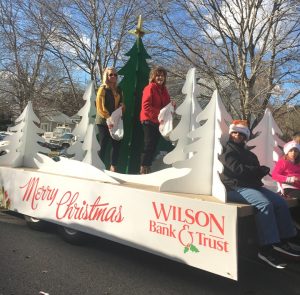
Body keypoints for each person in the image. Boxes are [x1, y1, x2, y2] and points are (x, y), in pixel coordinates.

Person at [220, 120, 300, 269]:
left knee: (280, 202)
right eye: (235, 132)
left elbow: (255, 171)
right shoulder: (227, 150)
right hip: (234, 188)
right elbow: (236, 170)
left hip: (251, 186)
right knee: (264, 204)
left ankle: (284, 240)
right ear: (231, 134)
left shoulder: (249, 153)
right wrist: (256, 170)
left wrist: (259, 171)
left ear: (245, 137)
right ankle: (265, 247)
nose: (237, 135)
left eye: (241, 134)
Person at [139, 66, 174, 174]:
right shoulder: (150, 88)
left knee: (154, 145)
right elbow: (146, 106)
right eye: (158, 75)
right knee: (149, 144)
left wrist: (172, 106)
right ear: (154, 77)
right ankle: (143, 168)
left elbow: (166, 106)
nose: (160, 78)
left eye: (162, 76)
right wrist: (159, 114)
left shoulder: (164, 90)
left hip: (158, 122)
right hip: (148, 120)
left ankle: (148, 166)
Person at [96, 67, 124, 172]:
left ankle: (113, 168)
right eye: (110, 74)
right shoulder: (102, 89)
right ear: (106, 76)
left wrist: (122, 106)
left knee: (116, 143)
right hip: (104, 121)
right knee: (103, 144)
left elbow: (122, 103)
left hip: (115, 121)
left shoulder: (119, 89)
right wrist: (108, 118)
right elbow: (100, 107)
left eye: (115, 75)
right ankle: (98, 169)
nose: (113, 76)